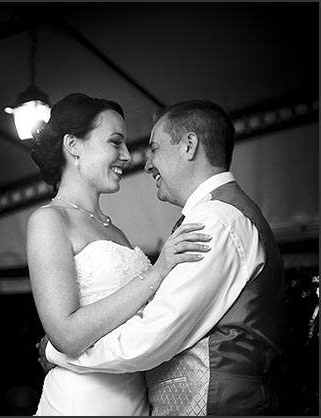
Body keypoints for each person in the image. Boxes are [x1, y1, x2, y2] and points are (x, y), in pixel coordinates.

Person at [39, 99, 288, 415]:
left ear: (189, 146)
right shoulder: (213, 216)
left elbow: (152, 335)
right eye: (116, 142)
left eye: (154, 148)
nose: (142, 162)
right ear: (72, 146)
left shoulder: (217, 220)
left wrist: (61, 352)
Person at [27, 93, 212, 415]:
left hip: (136, 397)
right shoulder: (49, 220)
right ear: (73, 145)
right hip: (84, 403)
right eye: (115, 142)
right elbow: (67, 337)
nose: (127, 156)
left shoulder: (114, 230)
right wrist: (157, 272)